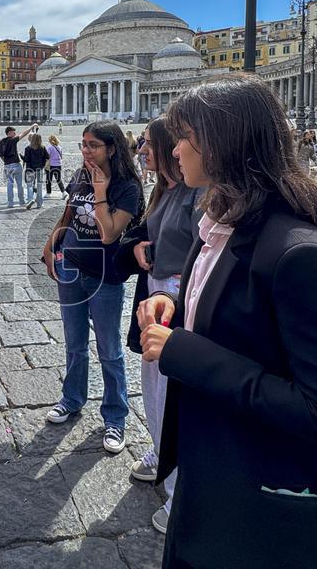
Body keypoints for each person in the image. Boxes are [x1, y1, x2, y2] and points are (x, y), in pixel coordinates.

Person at [138, 75, 317, 569]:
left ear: (223, 142)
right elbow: (241, 318)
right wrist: (177, 306)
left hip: (263, 509)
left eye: (184, 136)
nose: (173, 149)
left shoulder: (302, 256)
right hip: (212, 476)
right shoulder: (218, 226)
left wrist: (184, 350)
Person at [115, 116, 200, 535]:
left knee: (171, 392)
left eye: (148, 143)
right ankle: (162, 452)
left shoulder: (196, 192)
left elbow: (205, 253)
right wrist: (137, 247)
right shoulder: (164, 189)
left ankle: (179, 495)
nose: (141, 150)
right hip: (156, 291)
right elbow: (141, 232)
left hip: (178, 297)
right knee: (153, 386)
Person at [42, 121, 144, 455]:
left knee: (109, 350)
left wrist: (101, 191)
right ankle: (72, 399)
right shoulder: (79, 175)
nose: (86, 151)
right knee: (74, 343)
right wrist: (50, 244)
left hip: (105, 276)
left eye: (93, 145)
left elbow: (109, 234)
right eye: (83, 144)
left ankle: (115, 417)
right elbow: (68, 216)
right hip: (70, 267)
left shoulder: (128, 187)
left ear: (112, 148)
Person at [0, 124, 34, 208]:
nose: (15, 134)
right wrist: (31, 127)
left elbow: (1, 156)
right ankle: (21, 201)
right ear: (9, 133)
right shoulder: (12, 140)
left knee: (9, 184)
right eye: (14, 132)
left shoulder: (1, 142)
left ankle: (10, 203)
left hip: (7, 165)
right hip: (16, 164)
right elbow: (23, 134)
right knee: (19, 184)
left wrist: (6, 162)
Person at [22, 133, 49, 209]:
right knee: (39, 186)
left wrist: (21, 156)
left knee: (29, 185)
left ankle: (30, 200)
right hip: (39, 169)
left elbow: (26, 159)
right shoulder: (42, 148)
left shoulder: (28, 148)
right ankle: (39, 203)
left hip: (30, 169)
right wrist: (43, 165)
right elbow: (47, 157)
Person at [45, 135, 67, 199]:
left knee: (48, 179)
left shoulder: (49, 147)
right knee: (58, 179)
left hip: (51, 165)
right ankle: (64, 192)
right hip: (58, 165)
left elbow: (47, 156)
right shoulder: (59, 147)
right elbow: (61, 156)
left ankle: (48, 193)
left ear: (50, 141)